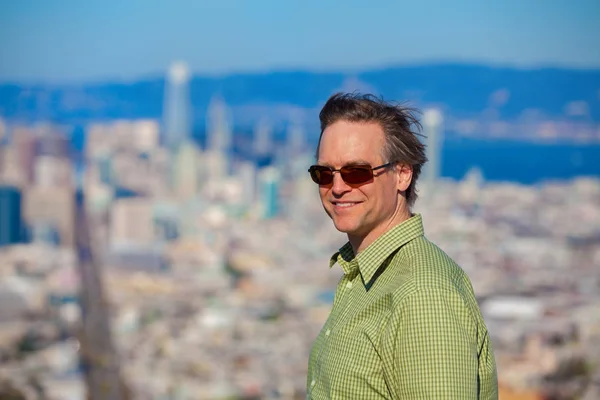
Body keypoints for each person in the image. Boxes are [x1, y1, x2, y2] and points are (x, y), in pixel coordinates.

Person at [306, 93, 498, 399]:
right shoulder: (367, 279)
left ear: (402, 174)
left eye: (357, 172)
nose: (338, 188)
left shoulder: (422, 294)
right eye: (324, 174)